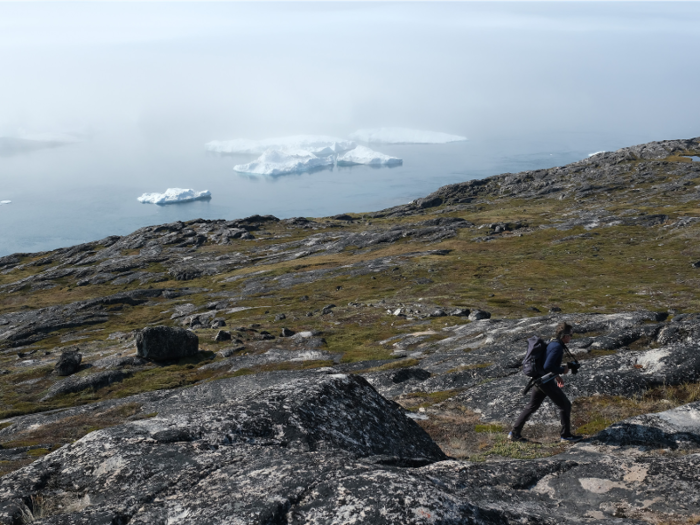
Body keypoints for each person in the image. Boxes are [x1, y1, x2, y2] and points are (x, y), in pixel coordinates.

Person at [508, 322, 581, 442]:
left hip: (540, 380)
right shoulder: (557, 347)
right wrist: (563, 370)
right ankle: (566, 436)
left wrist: (556, 376)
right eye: (571, 334)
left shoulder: (554, 343)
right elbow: (548, 366)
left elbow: (546, 364)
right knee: (565, 405)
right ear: (564, 335)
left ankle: (514, 433)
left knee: (532, 406)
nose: (572, 337)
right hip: (545, 381)